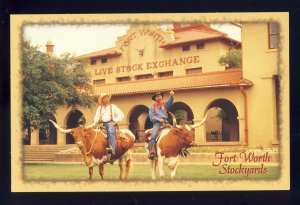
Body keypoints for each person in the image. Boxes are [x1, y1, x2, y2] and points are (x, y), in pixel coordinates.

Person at [93, 93, 124, 157]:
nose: (106, 99)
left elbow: (121, 114)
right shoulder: (99, 108)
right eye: (104, 98)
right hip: (101, 123)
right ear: (102, 100)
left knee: (110, 132)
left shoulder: (113, 106)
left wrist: (115, 121)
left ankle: (113, 150)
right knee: (95, 134)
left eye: (107, 98)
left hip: (110, 122)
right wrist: (97, 121)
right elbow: (96, 117)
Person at [148, 90, 174, 160]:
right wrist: (158, 119)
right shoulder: (152, 107)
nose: (159, 98)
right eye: (157, 97)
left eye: (160, 96)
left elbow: (170, 101)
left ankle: (181, 149)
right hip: (157, 123)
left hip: (166, 121)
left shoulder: (165, 104)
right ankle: (151, 152)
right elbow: (151, 117)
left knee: (175, 132)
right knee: (153, 135)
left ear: (162, 97)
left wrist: (171, 96)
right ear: (155, 98)